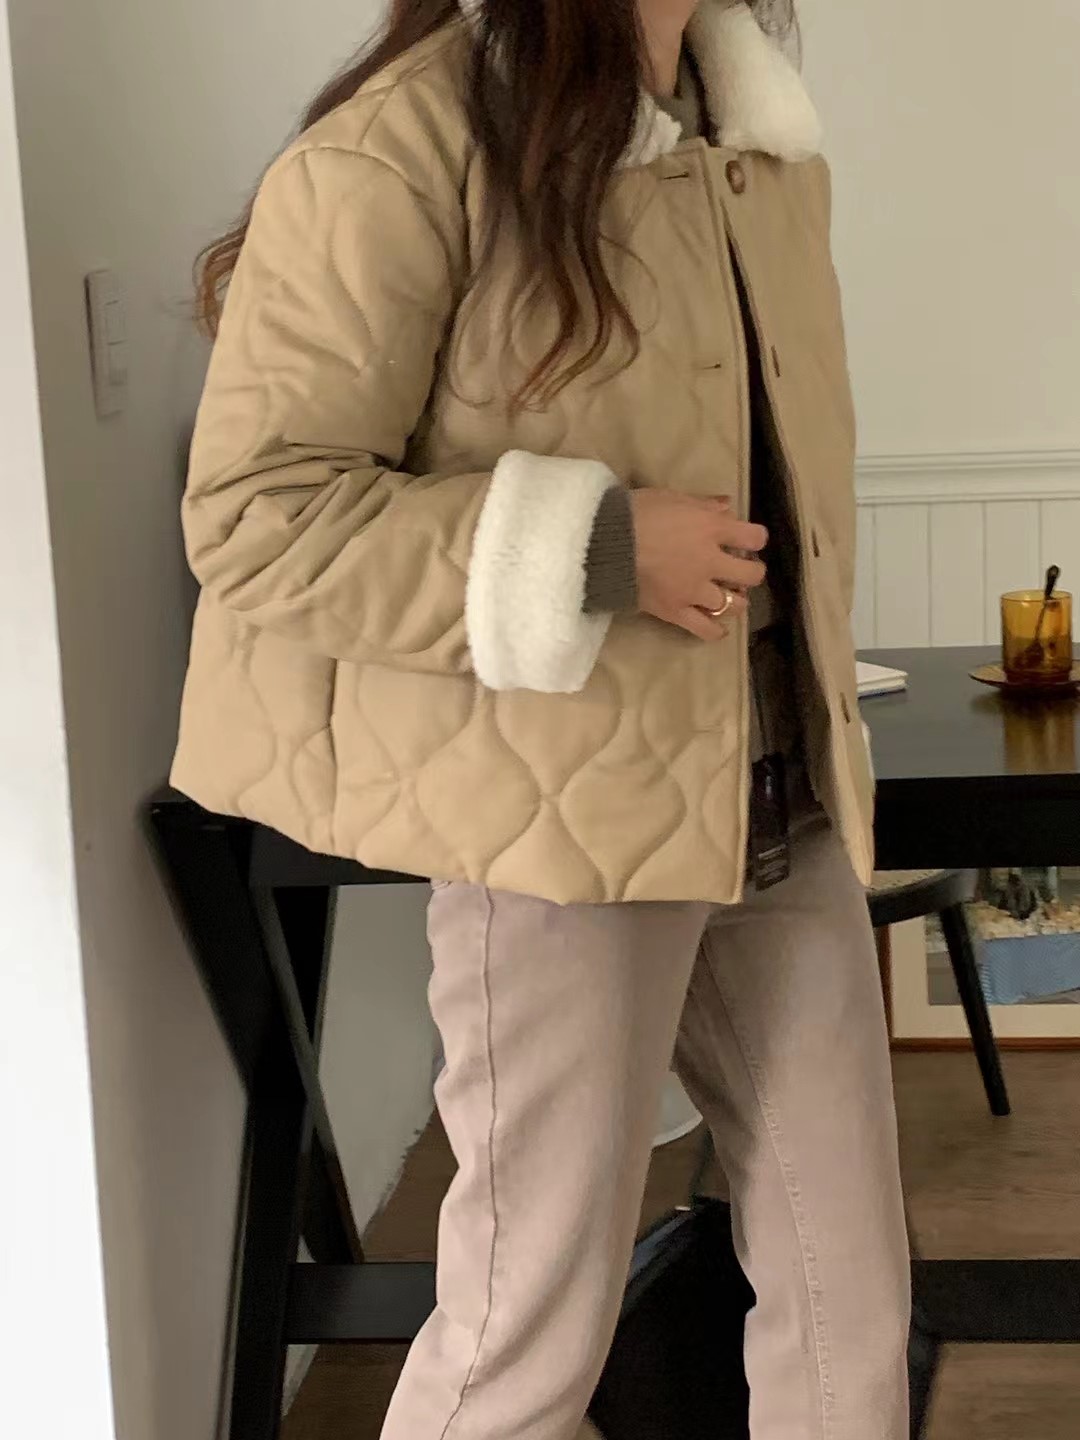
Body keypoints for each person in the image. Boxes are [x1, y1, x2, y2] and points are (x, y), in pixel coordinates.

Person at [173, 1, 910, 1435]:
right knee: (530, 1328)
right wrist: (600, 547)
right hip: (561, 820)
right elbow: (261, 515)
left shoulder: (754, 137)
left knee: (850, 1295)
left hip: (778, 790)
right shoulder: (409, 143)